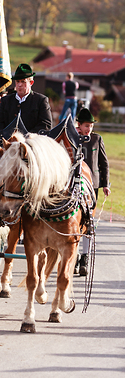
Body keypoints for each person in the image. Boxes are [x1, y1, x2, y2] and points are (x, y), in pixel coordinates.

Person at [75, 107, 111, 276]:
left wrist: (106, 184)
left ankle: (84, 257)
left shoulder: (97, 139)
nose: (89, 129)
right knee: (75, 220)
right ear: (79, 125)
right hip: (74, 184)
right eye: (86, 125)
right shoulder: (73, 139)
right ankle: (73, 256)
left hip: (92, 186)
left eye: (91, 125)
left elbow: (104, 164)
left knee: (88, 221)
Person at [0, 63, 52, 133]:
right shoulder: (6, 101)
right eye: (17, 81)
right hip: (8, 141)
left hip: (31, 141)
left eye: (23, 81)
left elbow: (45, 125)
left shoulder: (41, 100)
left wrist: (27, 137)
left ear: (31, 83)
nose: (19, 85)